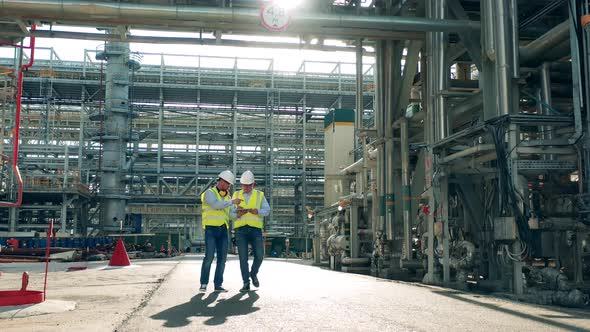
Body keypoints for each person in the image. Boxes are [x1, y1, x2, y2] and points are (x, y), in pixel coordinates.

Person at [199, 170, 242, 293]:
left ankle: (218, 285)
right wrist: (232, 202)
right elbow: (215, 205)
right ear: (222, 181)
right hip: (211, 229)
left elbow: (230, 216)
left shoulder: (227, 197)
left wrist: (238, 213)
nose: (229, 187)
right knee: (209, 256)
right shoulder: (209, 193)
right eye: (228, 184)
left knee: (222, 259)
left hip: (223, 230)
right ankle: (203, 283)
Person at [231, 170, 270, 292]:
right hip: (240, 230)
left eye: (249, 185)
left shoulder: (260, 195)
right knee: (243, 258)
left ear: (253, 184)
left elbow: (267, 210)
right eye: (244, 185)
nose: (246, 187)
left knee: (259, 256)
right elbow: (229, 213)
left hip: (255, 230)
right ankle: (246, 282)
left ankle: (253, 274)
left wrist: (257, 211)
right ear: (241, 184)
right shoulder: (236, 195)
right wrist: (238, 214)